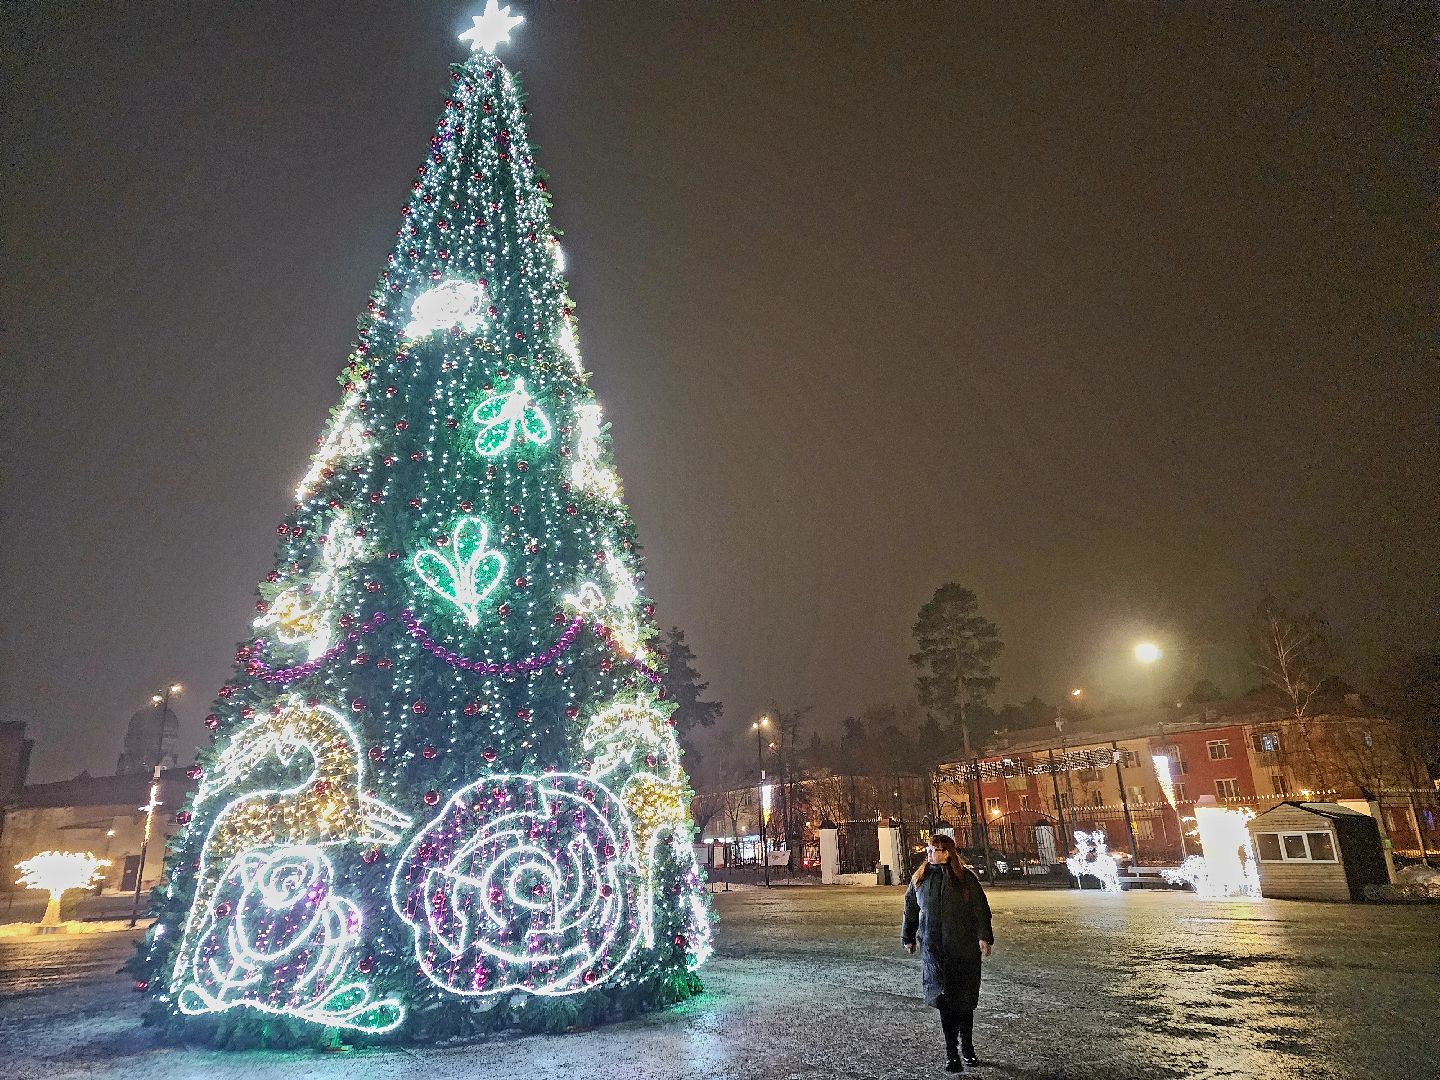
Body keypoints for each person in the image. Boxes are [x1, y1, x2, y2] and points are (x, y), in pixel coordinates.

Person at [901, 834, 994, 1072]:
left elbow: (980, 909)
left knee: (964, 1002)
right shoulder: (920, 878)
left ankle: (968, 1048)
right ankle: (951, 1052)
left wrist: (984, 936)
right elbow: (911, 909)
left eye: (936, 850)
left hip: (962, 950)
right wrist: (908, 937)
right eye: (929, 850)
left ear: (948, 853)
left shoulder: (965, 879)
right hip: (934, 952)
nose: (931, 854)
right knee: (945, 1003)